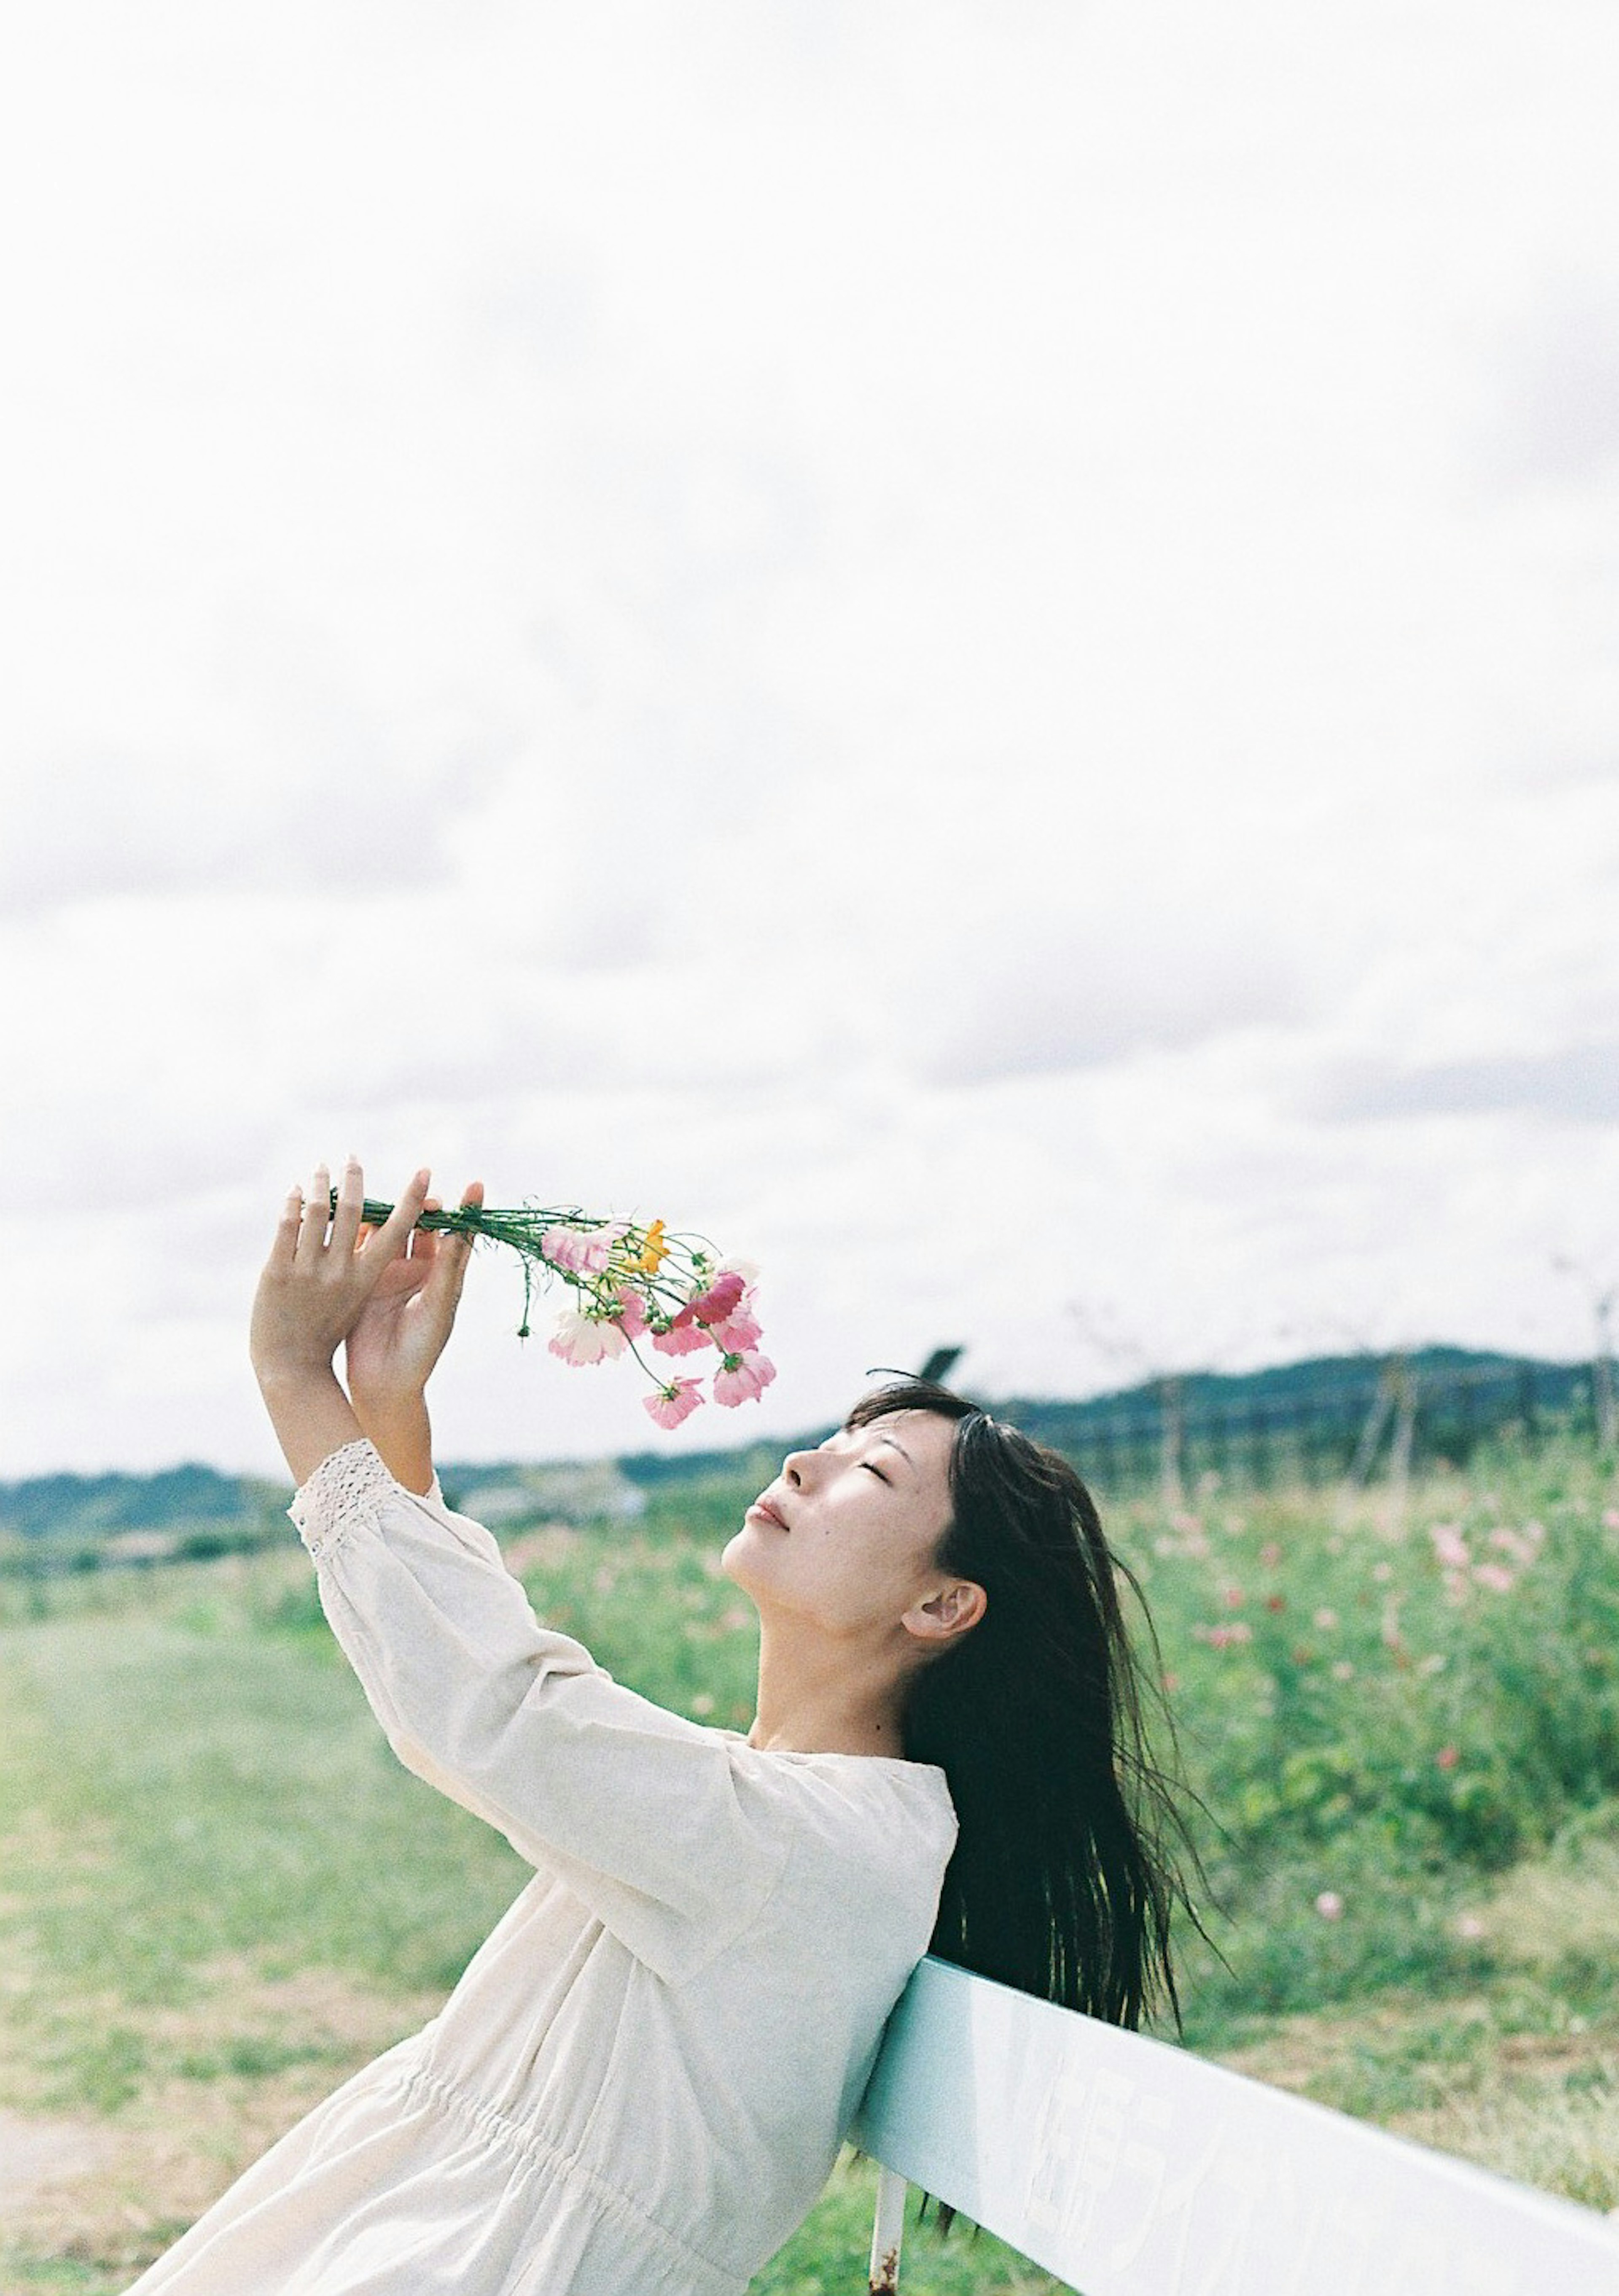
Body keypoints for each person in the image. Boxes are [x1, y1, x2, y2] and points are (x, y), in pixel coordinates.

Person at [125, 1159, 1189, 2295]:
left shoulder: (809, 1844)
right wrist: (388, 1409)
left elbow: (501, 1714)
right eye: (832, 1444)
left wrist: (296, 1378)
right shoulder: (793, 1809)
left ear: (940, 1606)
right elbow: (506, 1710)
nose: (802, 1462)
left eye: (868, 1472)